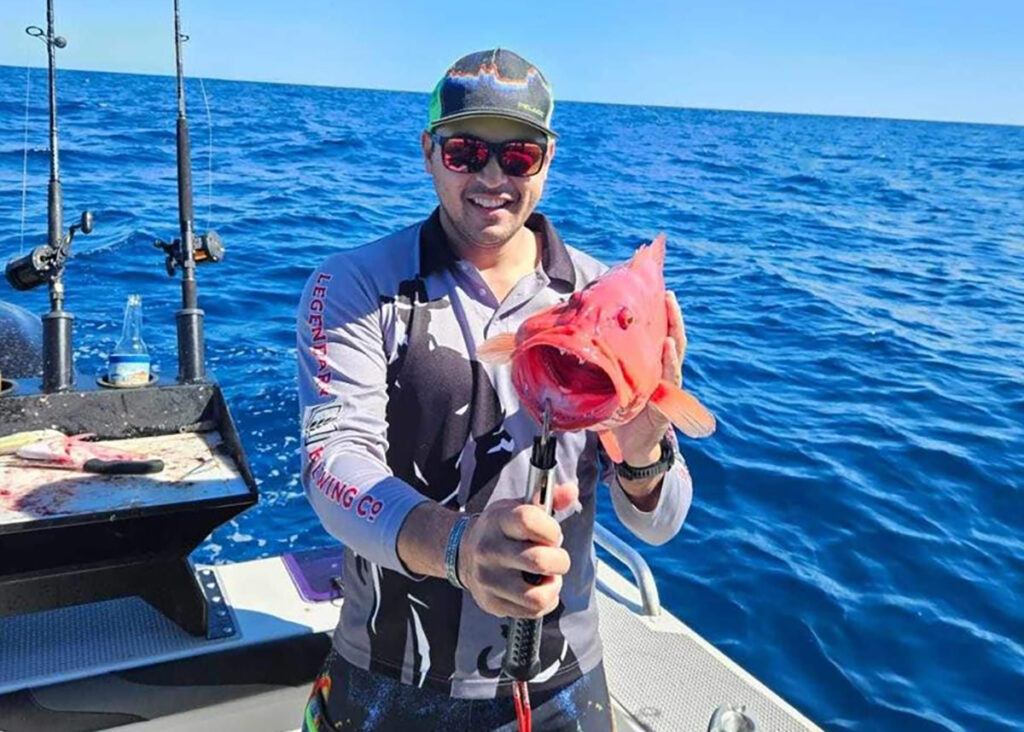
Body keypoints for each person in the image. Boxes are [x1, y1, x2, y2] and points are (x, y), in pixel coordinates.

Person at [297, 48, 695, 731]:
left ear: (546, 159)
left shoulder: (607, 303)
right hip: (391, 676)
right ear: (428, 153)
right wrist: (459, 548)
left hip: (564, 680)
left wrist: (644, 452)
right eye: (463, 152)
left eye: (516, 157)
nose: (490, 176)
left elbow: (659, 525)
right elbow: (333, 463)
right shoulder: (357, 287)